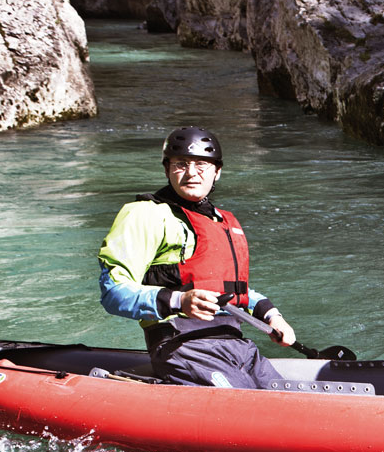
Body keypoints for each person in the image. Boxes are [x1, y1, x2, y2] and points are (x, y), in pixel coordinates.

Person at [98, 126, 297, 387]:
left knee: (285, 402)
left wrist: (272, 315)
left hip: (237, 344)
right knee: (252, 413)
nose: (192, 173)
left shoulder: (223, 221)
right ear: (167, 169)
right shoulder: (145, 214)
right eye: (181, 164)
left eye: (202, 165)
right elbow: (113, 292)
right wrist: (179, 300)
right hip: (184, 346)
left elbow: (231, 289)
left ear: (217, 172)